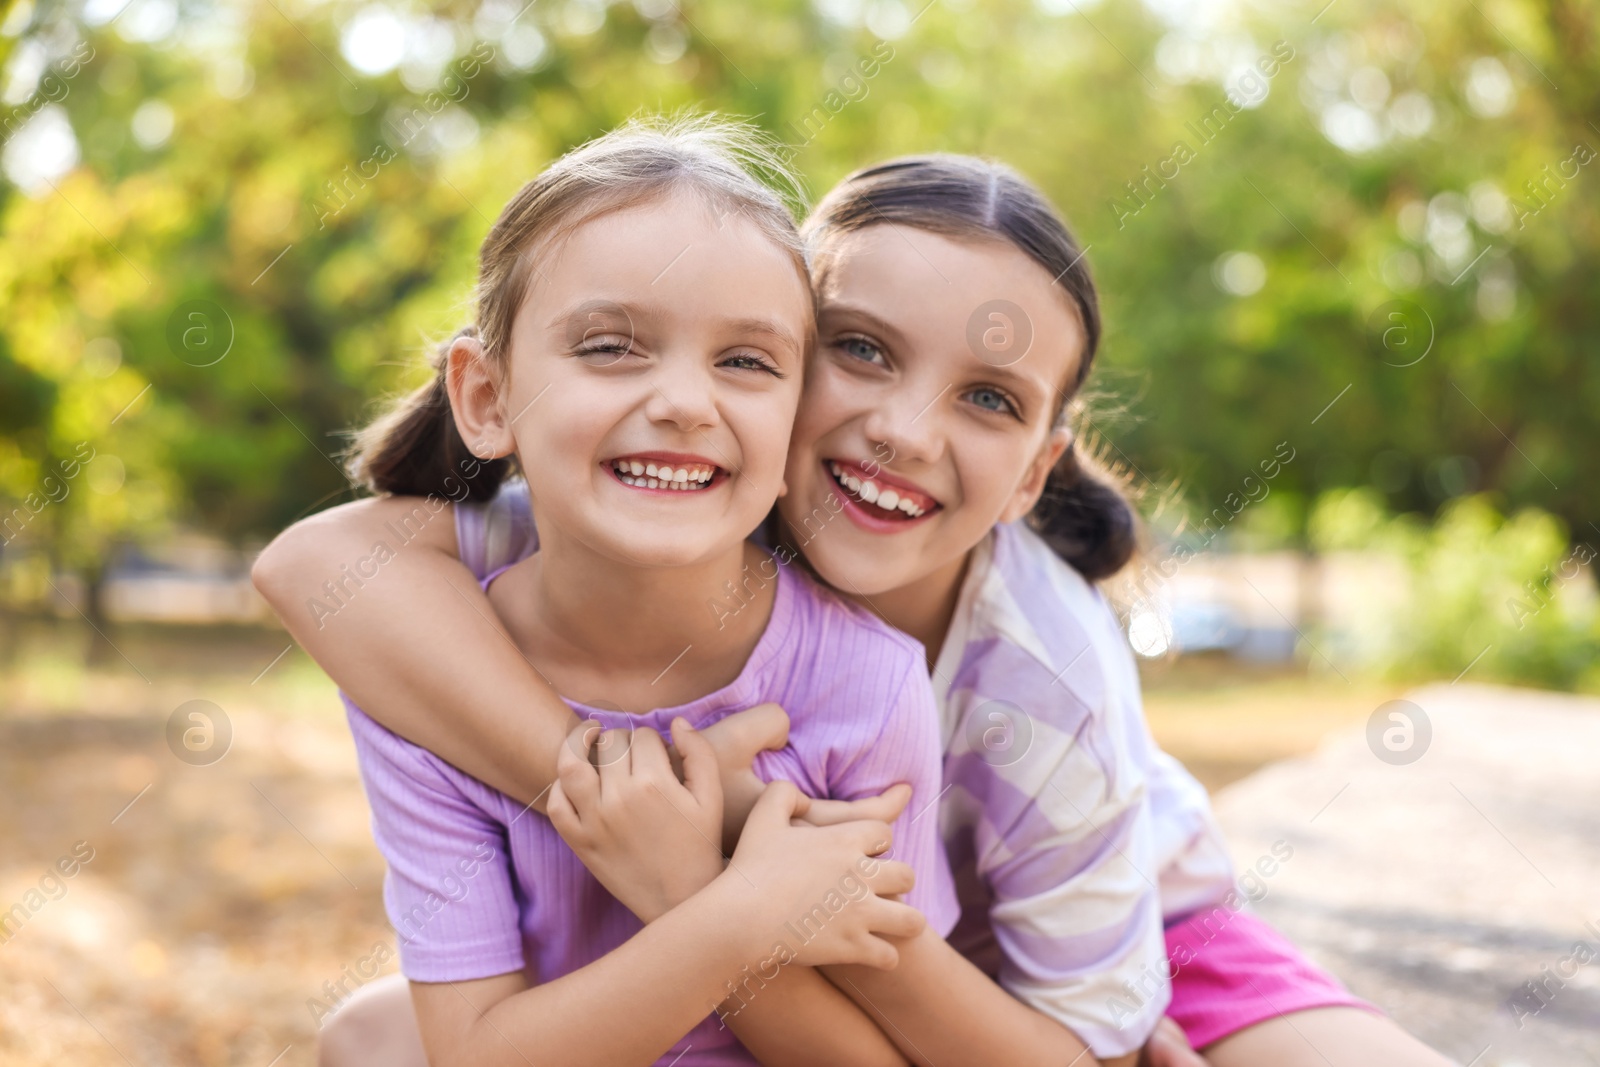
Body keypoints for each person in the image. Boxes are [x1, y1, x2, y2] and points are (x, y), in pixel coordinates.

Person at [257, 151, 1453, 1066]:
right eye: (861, 350)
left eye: (986, 397)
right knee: (375, 1035)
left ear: (1034, 469)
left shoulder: (1046, 673)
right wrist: (643, 809)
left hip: (1117, 950)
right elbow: (319, 569)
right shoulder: (670, 501)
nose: (902, 429)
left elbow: (1068, 1044)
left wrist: (711, 842)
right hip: (772, 946)